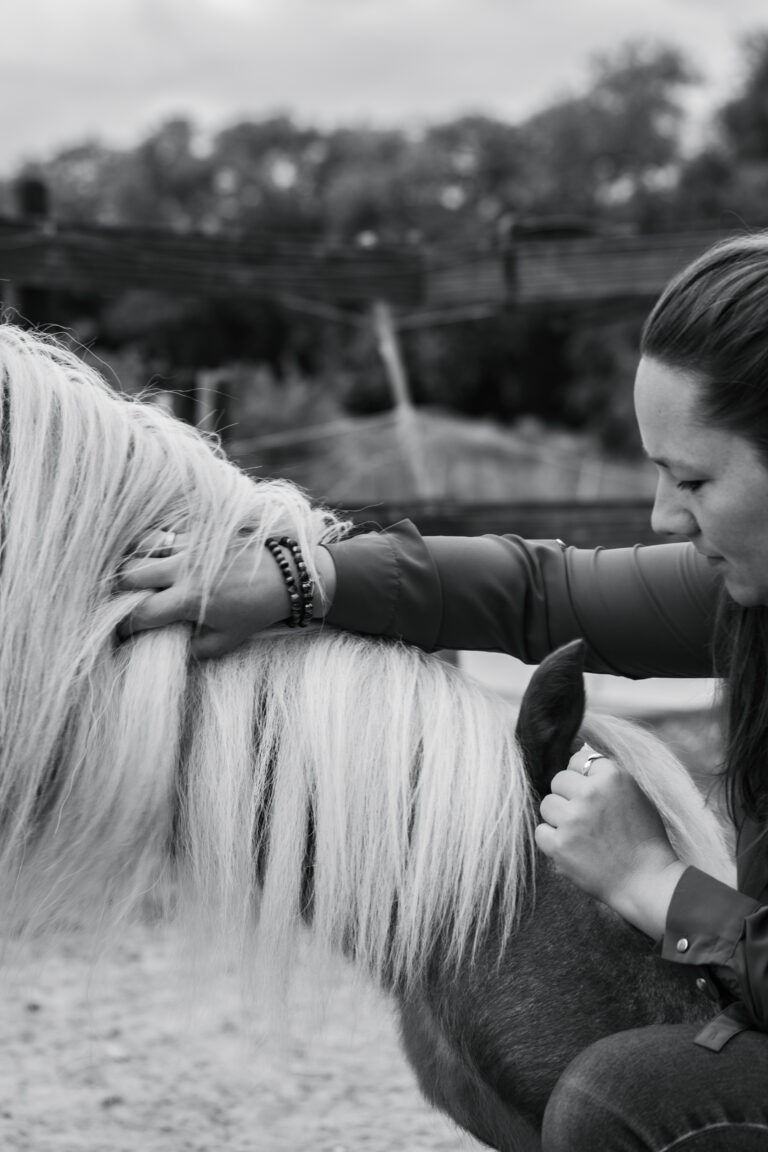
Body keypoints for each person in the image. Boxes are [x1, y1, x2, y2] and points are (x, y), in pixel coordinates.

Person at [120, 232, 768, 1150]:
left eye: (694, 478)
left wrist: (653, 883)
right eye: (660, 473)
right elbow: (545, 590)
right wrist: (303, 579)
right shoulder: (751, 594)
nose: (665, 515)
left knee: (632, 1097)